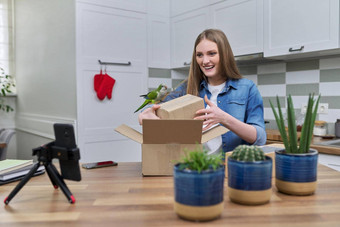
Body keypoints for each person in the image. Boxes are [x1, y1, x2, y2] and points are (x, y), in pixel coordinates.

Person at [138, 29, 266, 154]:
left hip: (229, 168)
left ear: (224, 55)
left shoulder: (247, 88)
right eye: (199, 55)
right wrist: (146, 114)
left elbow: (260, 138)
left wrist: (223, 118)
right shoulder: (188, 87)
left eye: (212, 53)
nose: (205, 61)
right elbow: (158, 107)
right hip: (196, 166)